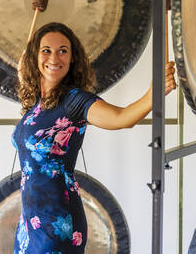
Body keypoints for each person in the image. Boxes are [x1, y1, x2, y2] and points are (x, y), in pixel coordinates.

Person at [12, 22, 176, 253]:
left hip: (57, 223)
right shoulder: (37, 104)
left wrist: (153, 94)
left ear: (72, 58)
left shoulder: (75, 101)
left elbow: (122, 118)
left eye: (63, 50)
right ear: (34, 56)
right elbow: (23, 68)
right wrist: (30, 59)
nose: (54, 57)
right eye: (46, 50)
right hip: (29, 223)